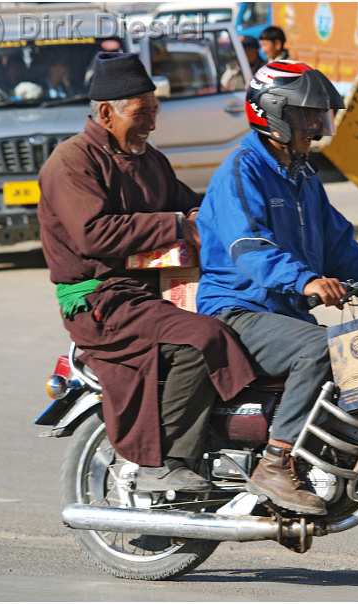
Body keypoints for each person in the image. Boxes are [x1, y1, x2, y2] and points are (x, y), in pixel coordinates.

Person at [38, 52, 255, 492]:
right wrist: (176, 223)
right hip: (102, 301)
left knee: (243, 320)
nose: (152, 123)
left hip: (149, 290)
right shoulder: (71, 163)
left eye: (154, 112)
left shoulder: (149, 159)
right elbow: (93, 234)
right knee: (201, 339)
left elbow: (188, 202)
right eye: (142, 113)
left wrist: (213, 216)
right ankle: (166, 462)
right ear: (106, 113)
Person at [196, 62, 358, 515]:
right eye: (307, 115)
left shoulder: (304, 176)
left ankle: (335, 459)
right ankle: (274, 462)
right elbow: (248, 248)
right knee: (324, 347)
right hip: (238, 310)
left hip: (283, 313)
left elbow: (339, 246)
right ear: (274, 113)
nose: (316, 126)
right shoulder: (241, 171)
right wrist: (305, 280)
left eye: (318, 115)